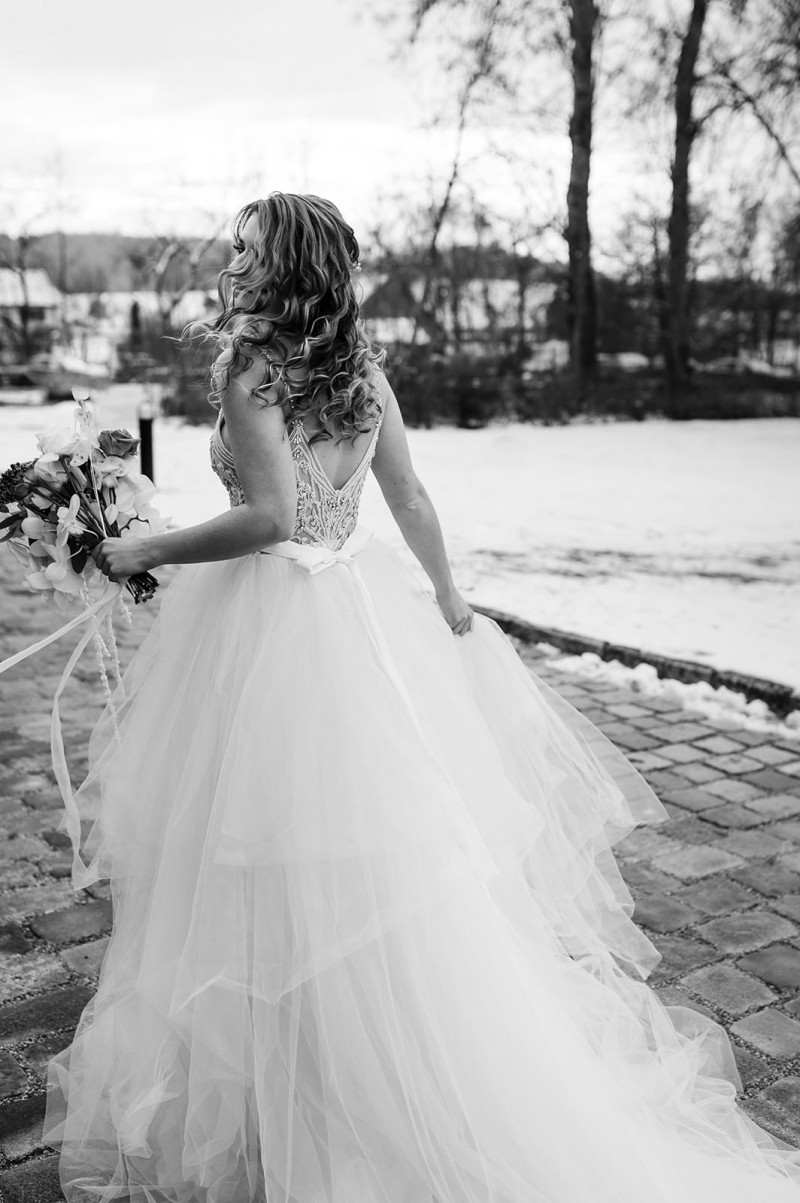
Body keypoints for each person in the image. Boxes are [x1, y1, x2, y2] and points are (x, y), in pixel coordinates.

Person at [42, 193, 800, 1203]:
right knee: (366, 847)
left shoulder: (250, 373)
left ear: (274, 268)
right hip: (353, 613)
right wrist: (443, 589)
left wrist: (144, 545)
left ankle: (308, 1073)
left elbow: (268, 518)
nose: (229, 260)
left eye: (242, 249)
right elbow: (407, 498)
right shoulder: (360, 371)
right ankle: (348, 1050)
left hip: (271, 622)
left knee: (256, 845)